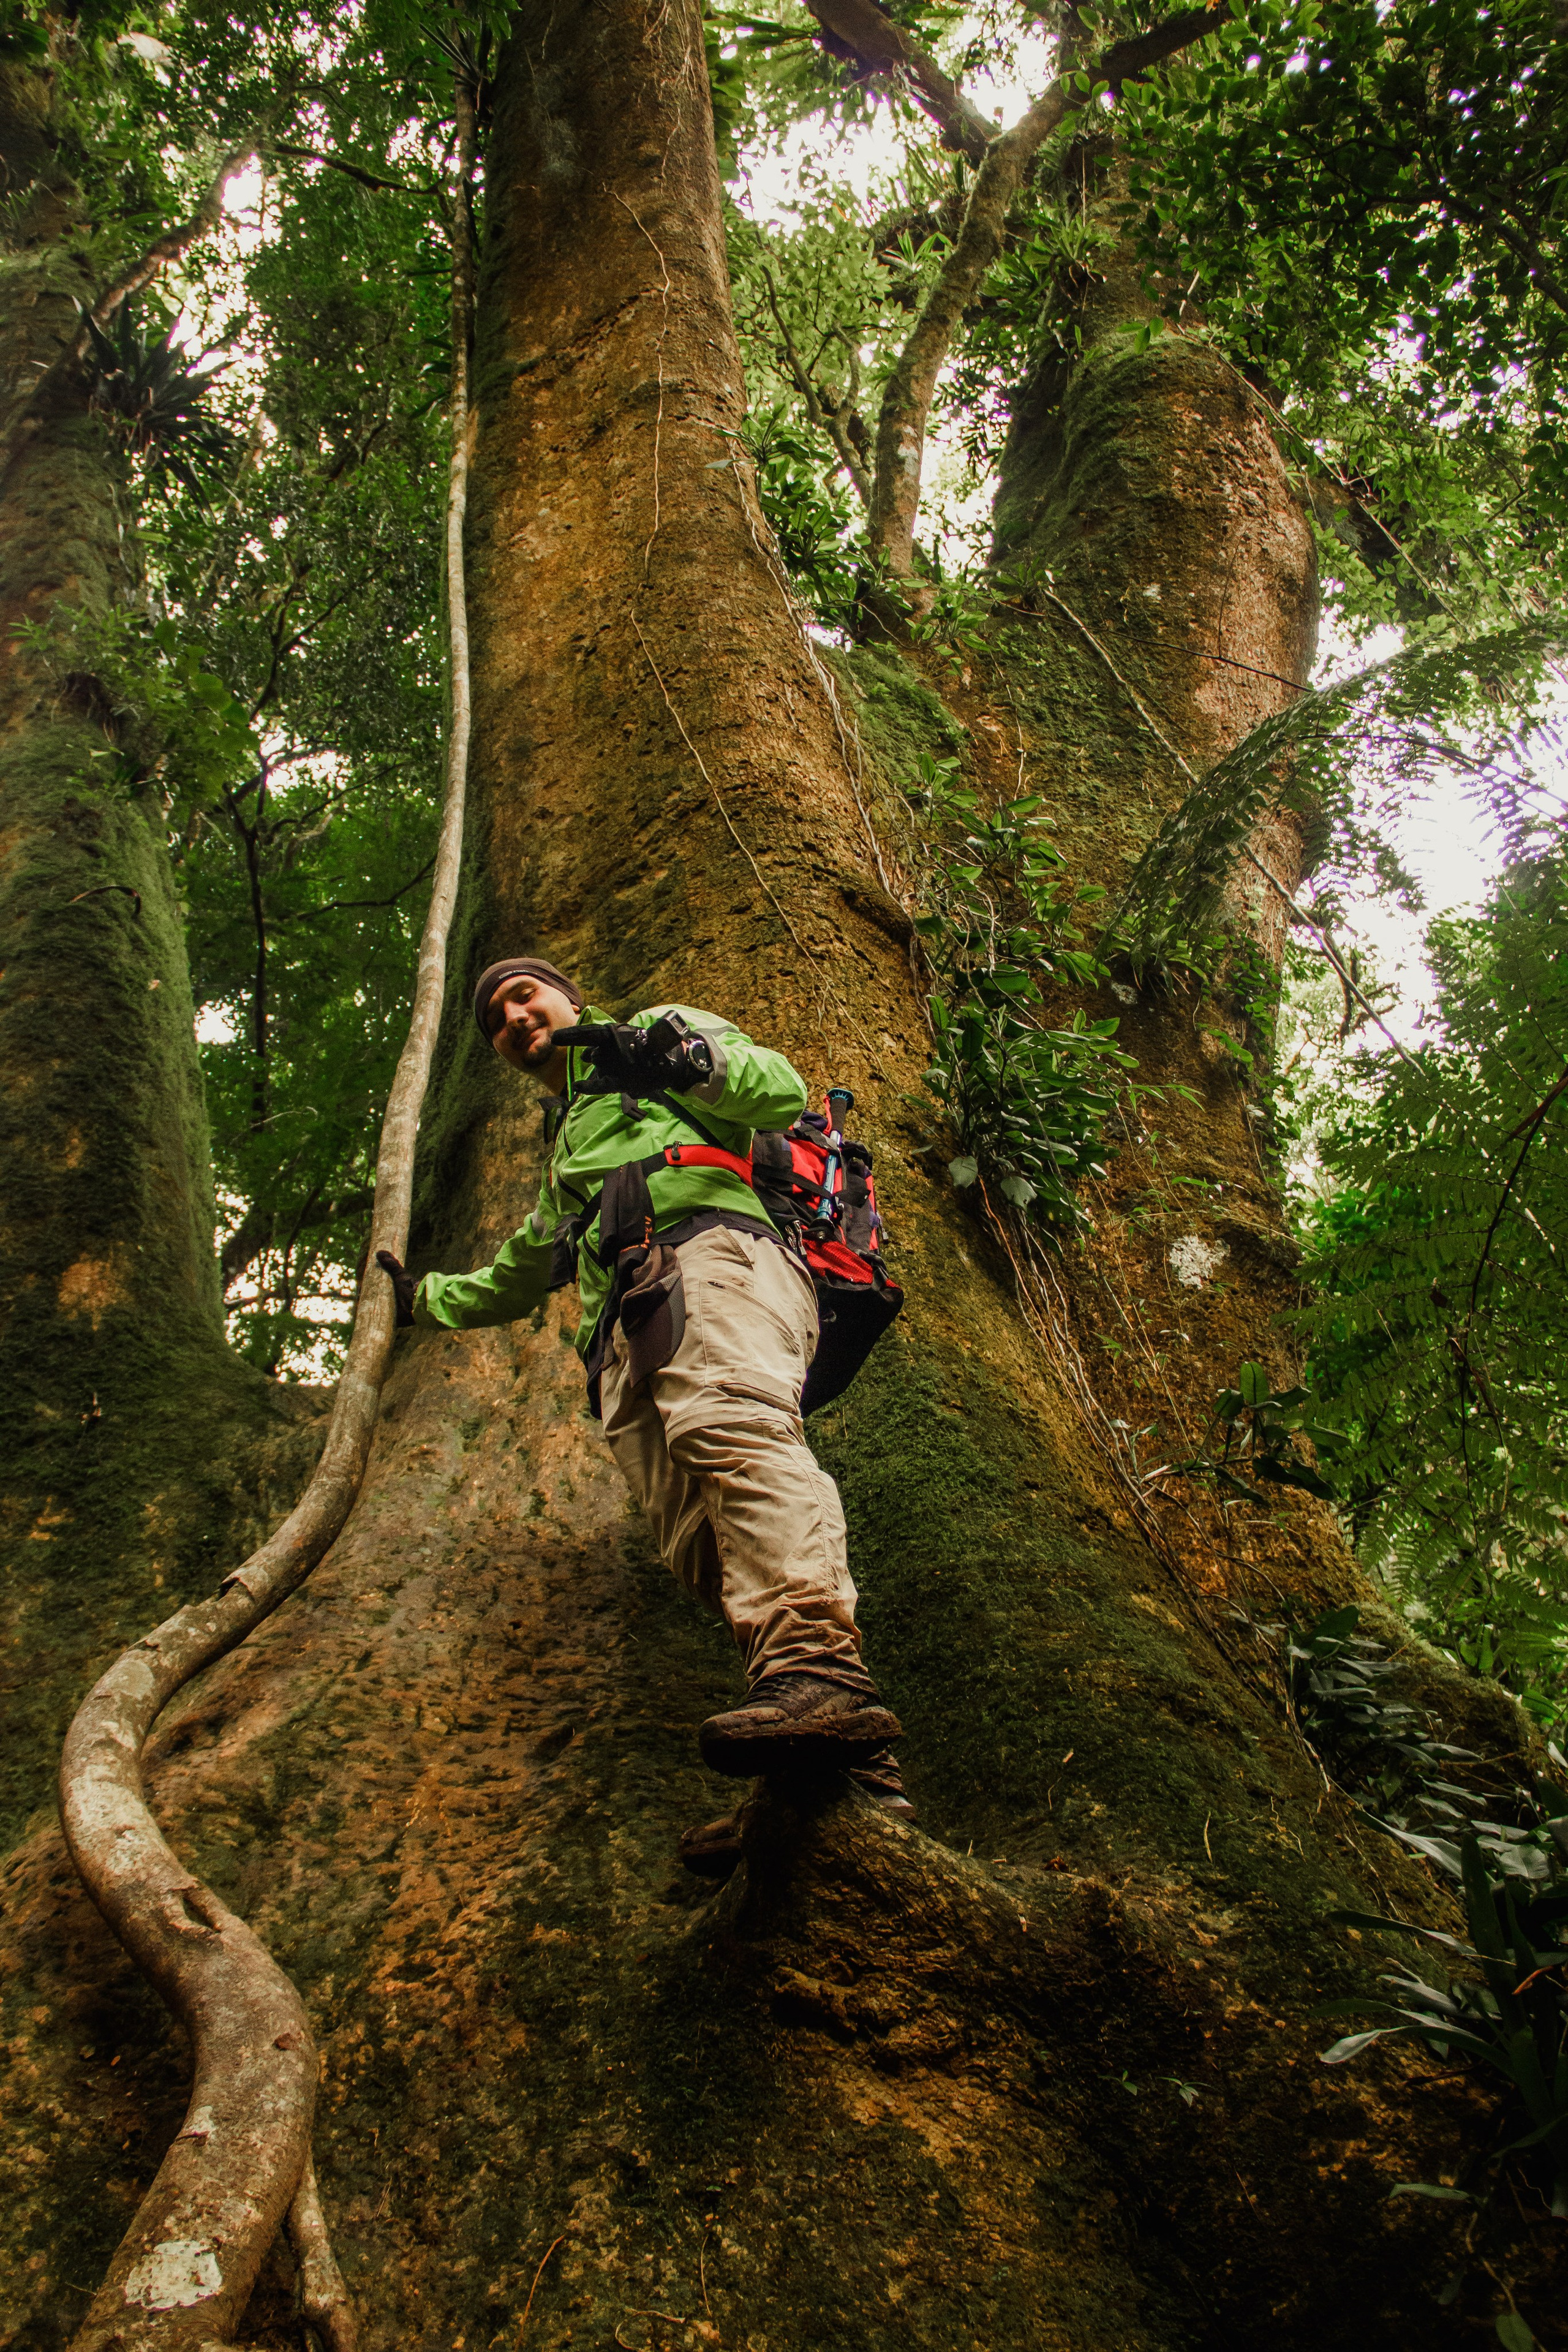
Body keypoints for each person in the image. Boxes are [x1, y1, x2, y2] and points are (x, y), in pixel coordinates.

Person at [377, 956, 911, 1870]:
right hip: (626, 1330)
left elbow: (775, 1088)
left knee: (735, 1430)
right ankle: (840, 1785)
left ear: (568, 1000)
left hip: (716, 1256)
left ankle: (821, 1672)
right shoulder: (568, 1155)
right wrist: (421, 1299)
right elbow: (520, 1270)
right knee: (697, 1538)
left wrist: (685, 1057)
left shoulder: (652, 1035)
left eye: (524, 995)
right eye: (496, 1016)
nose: (513, 1016)